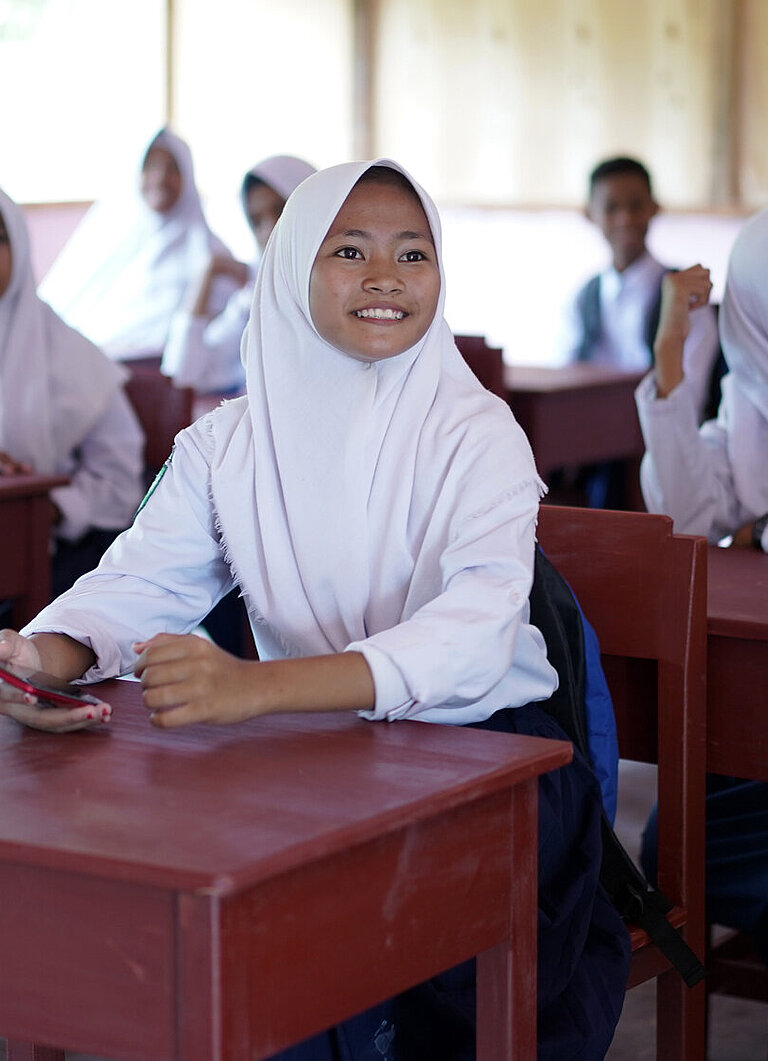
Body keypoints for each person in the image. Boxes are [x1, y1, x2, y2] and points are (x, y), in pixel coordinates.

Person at [0, 160, 630, 1059]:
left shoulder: (476, 432)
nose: (386, 277)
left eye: (413, 253)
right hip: (320, 759)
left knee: (313, 944)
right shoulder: (227, 444)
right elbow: (137, 581)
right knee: (208, 906)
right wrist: (47, 655)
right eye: (350, 250)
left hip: (492, 759)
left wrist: (257, 689)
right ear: (292, 269)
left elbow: (477, 636)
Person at [635, 207, 768, 967]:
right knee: (671, 847)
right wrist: (671, 354)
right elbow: (687, 512)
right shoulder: (752, 411)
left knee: (686, 847)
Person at [0, 187, 144, 602]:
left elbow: (120, 481)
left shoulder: (70, 356)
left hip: (46, 551)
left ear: (20, 247)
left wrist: (47, 507)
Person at [556, 156, 721, 508]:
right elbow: (565, 379)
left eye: (636, 206)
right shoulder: (581, 298)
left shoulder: (687, 297)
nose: (625, 219)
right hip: (592, 447)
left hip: (661, 451)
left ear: (654, 209)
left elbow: (688, 397)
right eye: (611, 207)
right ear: (590, 214)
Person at [39, 128, 235, 360]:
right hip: (94, 367)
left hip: (161, 377)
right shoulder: (105, 237)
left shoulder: (212, 255)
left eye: (172, 168)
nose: (161, 178)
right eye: (151, 166)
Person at [162, 154, 316, 395]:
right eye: (256, 221)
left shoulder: (344, 291)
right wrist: (208, 272)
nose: (269, 230)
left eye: (281, 210)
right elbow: (184, 373)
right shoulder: (255, 298)